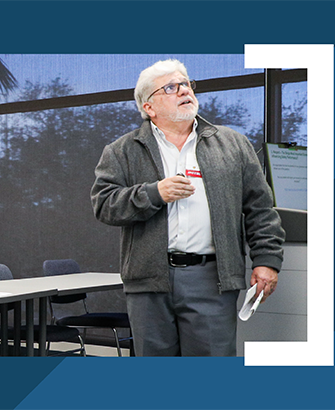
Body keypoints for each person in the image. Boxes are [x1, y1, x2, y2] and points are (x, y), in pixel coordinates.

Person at [90, 59, 284, 357]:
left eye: (186, 84)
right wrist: (154, 193)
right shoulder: (121, 151)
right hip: (149, 281)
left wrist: (267, 260)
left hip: (211, 278)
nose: (184, 90)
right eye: (170, 87)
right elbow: (104, 204)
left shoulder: (233, 145)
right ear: (149, 106)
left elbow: (261, 209)